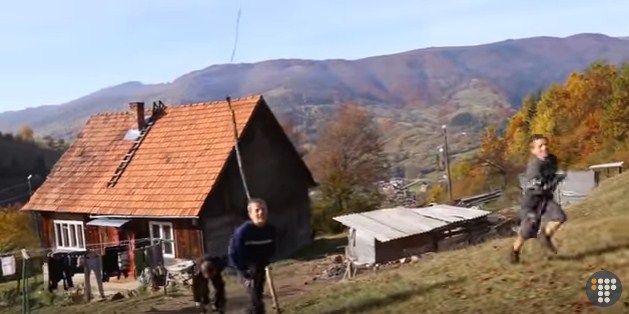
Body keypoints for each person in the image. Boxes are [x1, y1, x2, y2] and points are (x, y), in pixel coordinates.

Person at [510, 134, 567, 264]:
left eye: (546, 144)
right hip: (532, 201)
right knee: (528, 228)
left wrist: (557, 177)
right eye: (540, 146)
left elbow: (552, 176)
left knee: (560, 217)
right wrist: (556, 180)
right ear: (533, 150)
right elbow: (538, 187)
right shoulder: (534, 167)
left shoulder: (552, 159)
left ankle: (544, 236)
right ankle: (514, 251)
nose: (544, 148)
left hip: (546, 199)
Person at [228, 198, 277, 314]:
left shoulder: (270, 230)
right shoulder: (243, 232)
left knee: (258, 294)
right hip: (246, 269)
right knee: (256, 298)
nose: (261, 212)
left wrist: (267, 260)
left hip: (260, 266)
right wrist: (243, 271)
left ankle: (249, 311)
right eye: (257, 210)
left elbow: (271, 248)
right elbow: (233, 253)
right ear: (250, 214)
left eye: (263, 209)